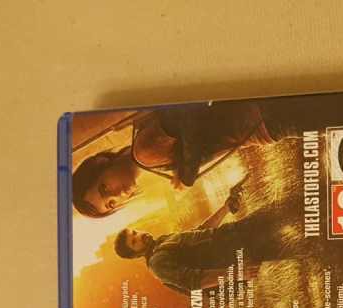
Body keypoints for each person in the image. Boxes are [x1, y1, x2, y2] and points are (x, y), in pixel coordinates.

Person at [73, 101, 291, 218]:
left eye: (104, 188)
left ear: (99, 164)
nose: (117, 195)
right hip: (262, 118)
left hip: (264, 120)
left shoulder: (143, 153)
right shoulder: (140, 142)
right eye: (111, 204)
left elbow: (188, 111)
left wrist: (187, 175)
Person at [112, 179, 303, 295]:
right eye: (135, 241)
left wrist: (226, 208)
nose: (140, 236)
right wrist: (237, 273)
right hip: (242, 251)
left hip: (237, 233)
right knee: (297, 239)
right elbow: (195, 281)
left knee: (287, 208)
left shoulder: (161, 242)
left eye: (135, 232)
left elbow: (200, 232)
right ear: (136, 254)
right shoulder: (157, 264)